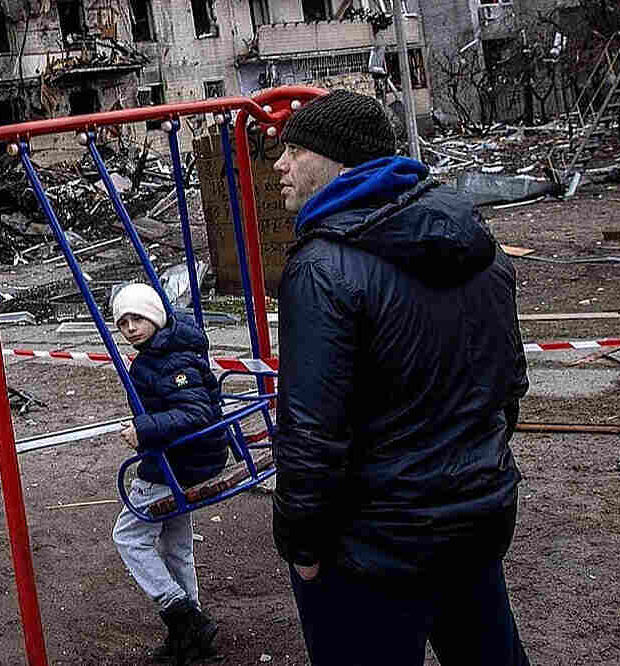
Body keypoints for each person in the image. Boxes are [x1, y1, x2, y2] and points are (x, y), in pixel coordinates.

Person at [269, 89, 531, 665]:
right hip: (473, 524)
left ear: (340, 162)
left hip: (372, 549)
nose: (280, 165)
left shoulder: (322, 267)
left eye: (296, 150)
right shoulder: (479, 246)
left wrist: (302, 545)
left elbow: (310, 434)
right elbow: (508, 387)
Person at [110, 282, 229, 665]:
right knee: (175, 546)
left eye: (138, 318)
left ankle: (184, 617)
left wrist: (144, 429)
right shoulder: (169, 348)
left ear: (156, 316)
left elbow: (197, 412)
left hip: (179, 463)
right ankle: (193, 641)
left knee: (129, 536)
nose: (130, 328)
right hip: (194, 457)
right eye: (123, 322)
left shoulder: (168, 359)